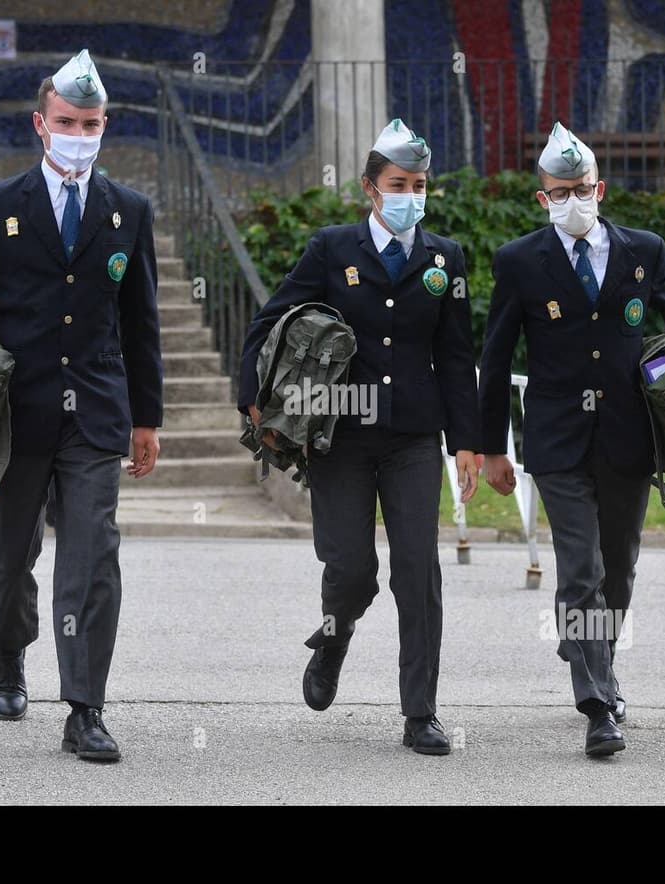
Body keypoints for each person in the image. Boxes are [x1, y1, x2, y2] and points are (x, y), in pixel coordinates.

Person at [0, 49, 163, 763]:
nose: (78, 132)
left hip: (97, 415)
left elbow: (141, 322)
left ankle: (85, 708)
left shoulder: (128, 211)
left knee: (91, 558)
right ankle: (8, 654)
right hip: (13, 415)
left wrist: (148, 418)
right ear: (40, 124)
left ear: (104, 123)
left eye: (90, 122)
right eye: (66, 121)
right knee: (8, 555)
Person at [478, 122, 665, 757]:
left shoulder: (644, 250)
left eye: (582, 188)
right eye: (559, 192)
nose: (573, 199)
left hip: (629, 437)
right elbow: (492, 355)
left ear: (600, 187)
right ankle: (598, 703)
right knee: (582, 568)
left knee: (618, 569)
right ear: (542, 196)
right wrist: (491, 447)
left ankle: (594, 647)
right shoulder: (519, 261)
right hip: (557, 440)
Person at [238, 120, 480, 755]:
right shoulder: (332, 248)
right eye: (398, 183)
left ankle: (420, 712)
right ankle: (335, 636)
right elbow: (272, 321)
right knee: (351, 569)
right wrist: (253, 397)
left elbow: (456, 357)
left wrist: (468, 441)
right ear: (371, 189)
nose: (410, 194)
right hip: (340, 434)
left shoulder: (444, 257)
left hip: (413, 438)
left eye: (420, 184)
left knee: (418, 573)